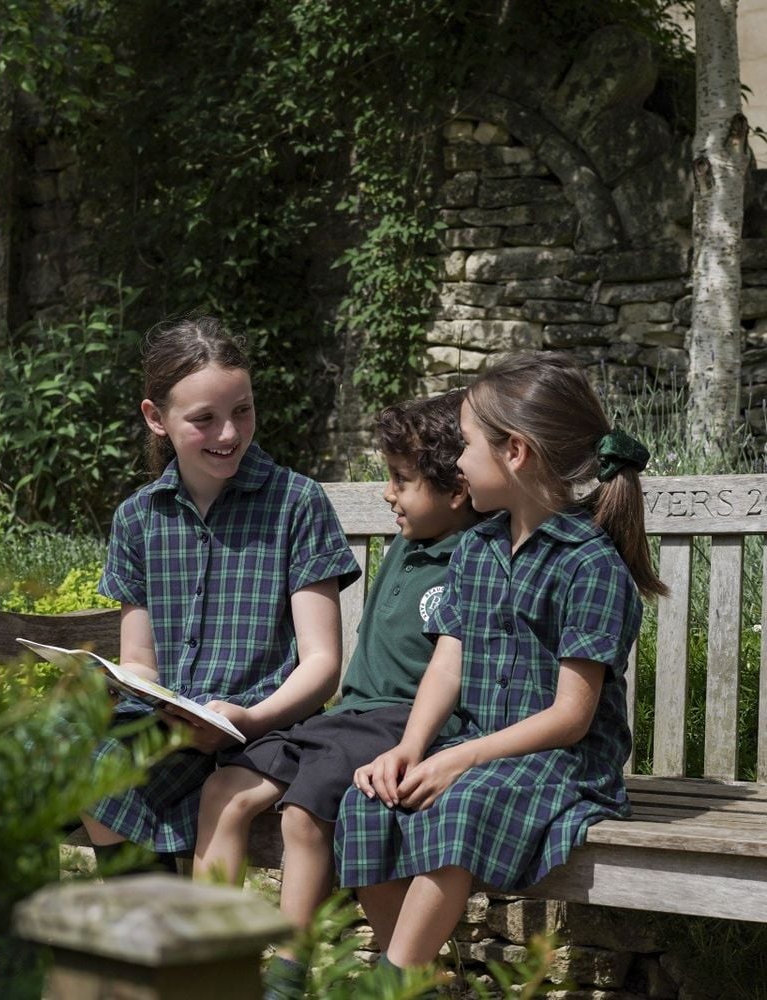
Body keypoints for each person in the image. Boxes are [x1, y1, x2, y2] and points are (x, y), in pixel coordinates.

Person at [338, 351, 666, 976]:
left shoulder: (588, 564)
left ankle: (389, 982)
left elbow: (572, 718)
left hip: (564, 764)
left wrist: (457, 759)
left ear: (514, 452)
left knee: (460, 802)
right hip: (481, 747)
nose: (456, 462)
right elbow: (447, 663)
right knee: (369, 801)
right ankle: (410, 979)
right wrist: (411, 747)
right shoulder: (478, 549)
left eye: (465, 445)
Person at [192, 391, 483, 995]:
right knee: (224, 786)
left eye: (401, 481)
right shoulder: (411, 539)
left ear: (457, 491)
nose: (387, 494)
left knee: (304, 814)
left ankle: (289, 971)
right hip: (346, 721)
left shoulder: (477, 556)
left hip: (402, 730)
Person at [82, 317, 361, 870]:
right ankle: (147, 942)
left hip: (269, 730)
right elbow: (140, 659)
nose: (229, 434)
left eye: (242, 411)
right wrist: (137, 692)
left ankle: (168, 946)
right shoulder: (139, 517)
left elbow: (322, 663)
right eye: (204, 420)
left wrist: (247, 718)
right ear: (155, 418)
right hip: (174, 730)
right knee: (89, 768)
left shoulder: (295, 503)